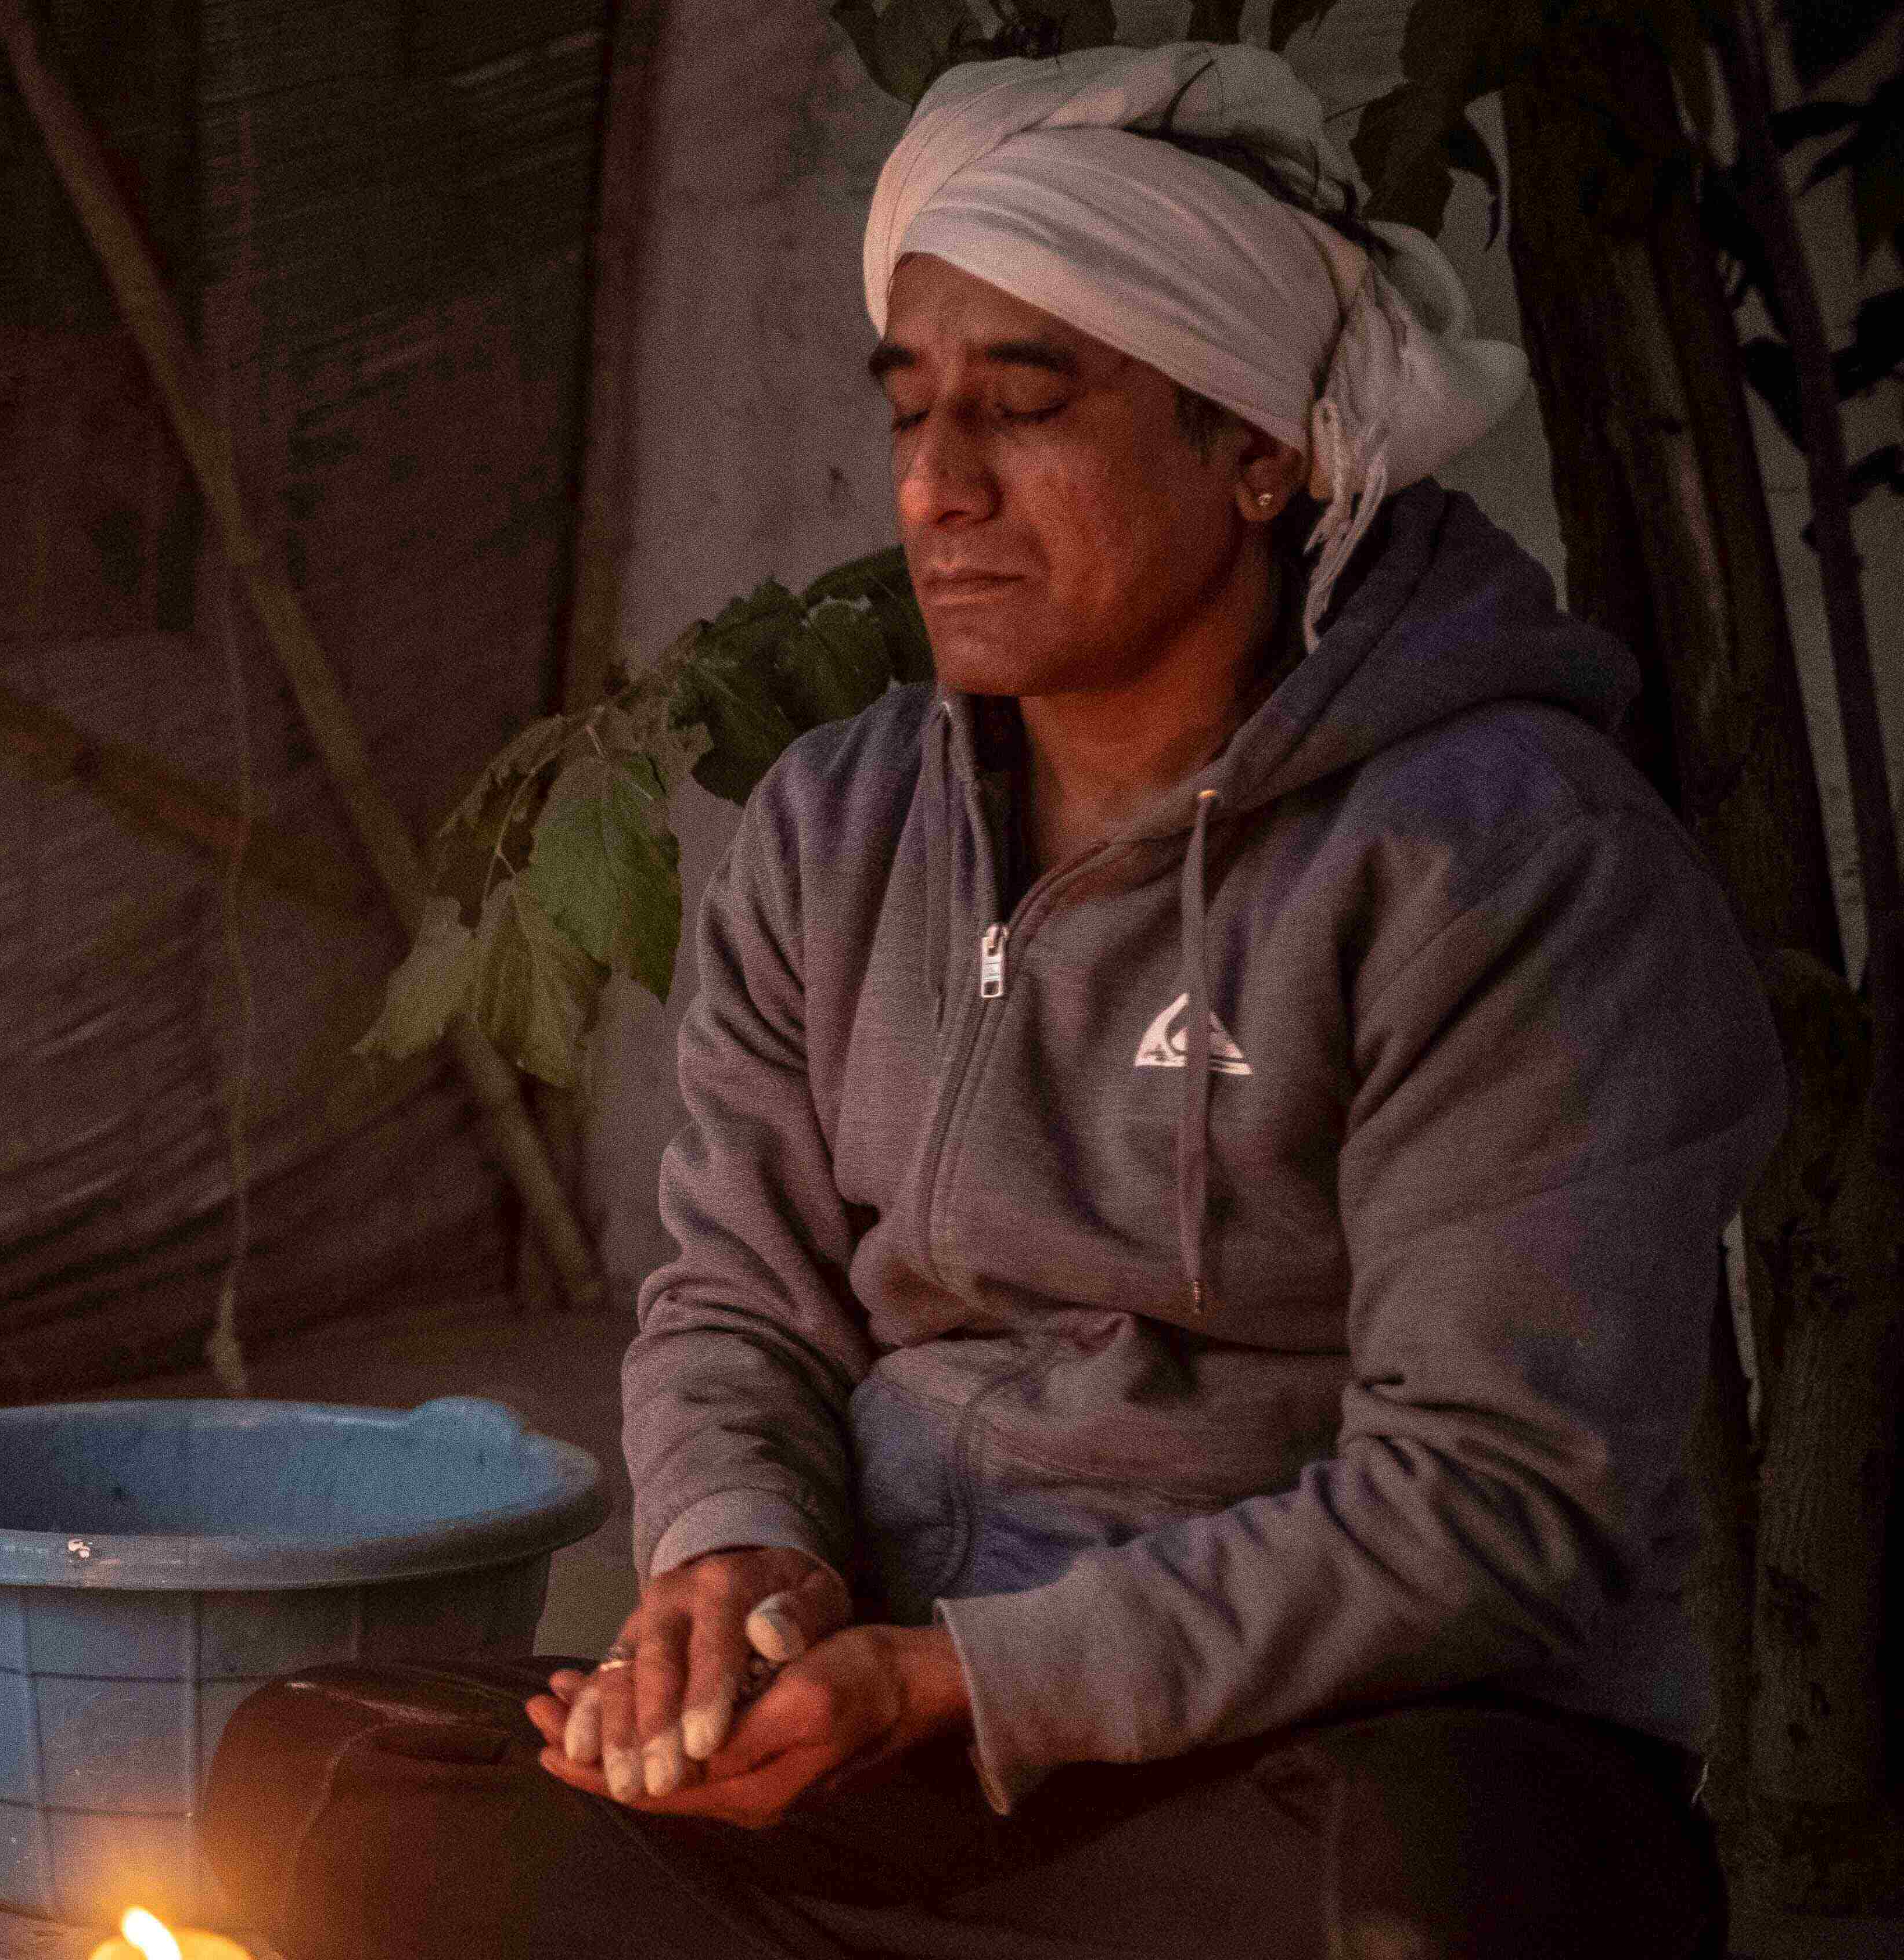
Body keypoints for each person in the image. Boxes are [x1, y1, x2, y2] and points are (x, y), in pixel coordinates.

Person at [198, 41, 1785, 1959]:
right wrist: (738, 1568)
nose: (938, 491)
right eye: (911, 414)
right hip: (878, 1727)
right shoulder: (838, 819)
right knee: (312, 1785)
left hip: (1312, 1757)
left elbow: (1491, 1508)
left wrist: (950, 1680)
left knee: (1454, 1906)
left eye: (1026, 412)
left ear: (1258, 452)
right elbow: (733, 1300)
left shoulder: (1508, 861)